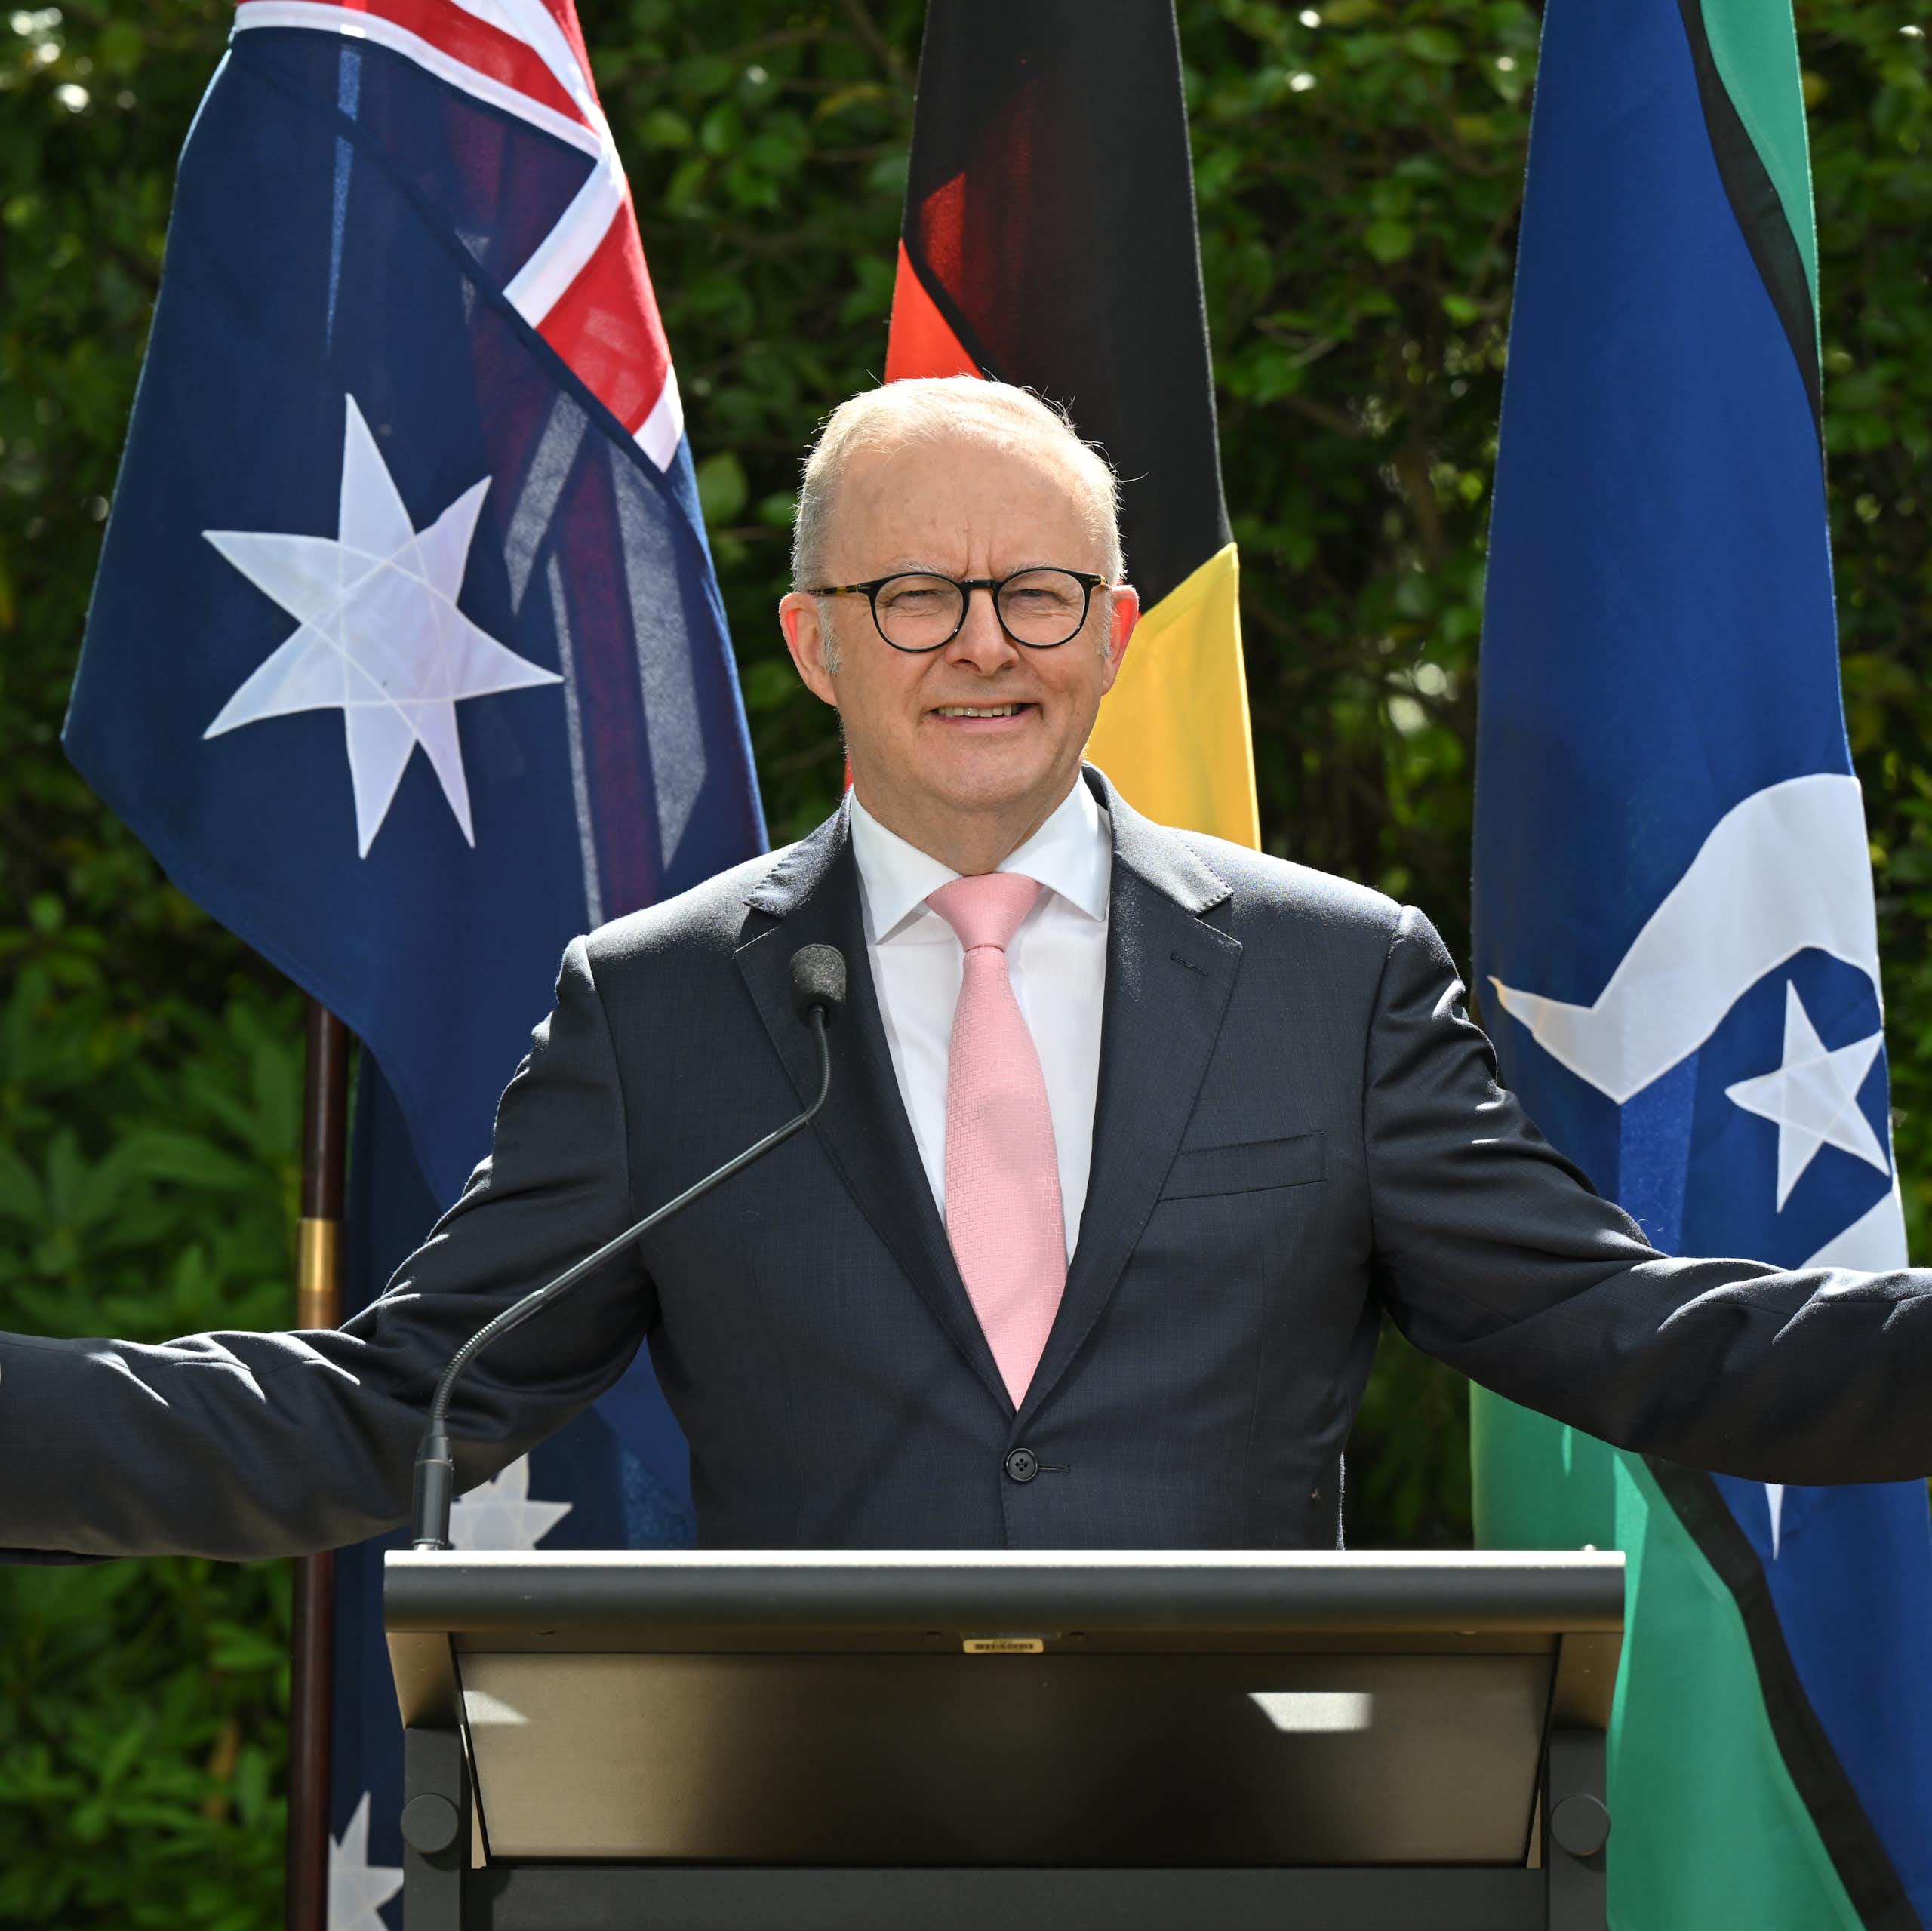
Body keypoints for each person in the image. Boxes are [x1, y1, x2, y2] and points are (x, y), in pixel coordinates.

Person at [3, 376, 1927, 1560]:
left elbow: (1636, 1335)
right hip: (801, 1845)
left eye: (1038, 595)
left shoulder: (1333, 978)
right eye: (914, 594)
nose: (980, 644)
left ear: (1108, 633)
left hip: (1247, 1841)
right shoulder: (660, 1002)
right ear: (816, 640)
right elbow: (385, 1406)